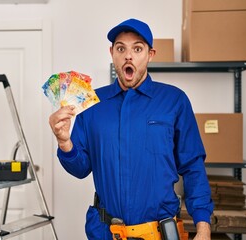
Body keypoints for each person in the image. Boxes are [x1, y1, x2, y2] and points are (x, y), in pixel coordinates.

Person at [49, 18, 213, 240]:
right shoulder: (92, 103)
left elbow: (193, 166)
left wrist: (203, 226)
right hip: (106, 233)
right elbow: (81, 169)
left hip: (159, 234)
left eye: (137, 48)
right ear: (112, 53)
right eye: (121, 48)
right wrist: (64, 142)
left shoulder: (174, 100)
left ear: (150, 54)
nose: (128, 55)